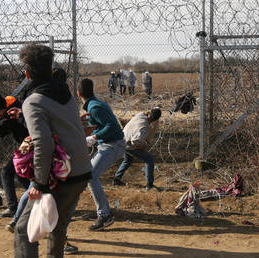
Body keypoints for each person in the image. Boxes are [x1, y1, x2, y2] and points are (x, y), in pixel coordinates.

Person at [13, 44, 92, 258]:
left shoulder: (33, 100)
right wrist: (23, 116)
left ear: (27, 74)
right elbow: (58, 122)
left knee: (23, 231)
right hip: (82, 170)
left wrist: (39, 183)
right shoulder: (64, 92)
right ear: (50, 69)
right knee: (56, 226)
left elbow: (43, 143)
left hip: (61, 177)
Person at [78, 78, 125, 231]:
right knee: (90, 175)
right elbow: (103, 125)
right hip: (110, 144)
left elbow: (111, 126)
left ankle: (104, 215)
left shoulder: (94, 107)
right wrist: (93, 135)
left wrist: (94, 137)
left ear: (79, 93)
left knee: (90, 175)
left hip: (113, 145)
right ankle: (103, 212)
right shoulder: (95, 104)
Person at [0, 92, 31, 217]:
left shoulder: (11, 114)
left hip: (29, 144)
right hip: (29, 143)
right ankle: (39, 200)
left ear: (5, 108)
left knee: (6, 172)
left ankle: (12, 207)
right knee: (21, 175)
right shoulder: (11, 106)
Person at [113, 108, 162, 191]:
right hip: (129, 145)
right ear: (155, 120)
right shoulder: (145, 128)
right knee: (149, 159)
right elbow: (135, 141)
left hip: (123, 140)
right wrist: (142, 147)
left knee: (127, 160)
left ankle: (117, 179)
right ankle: (149, 185)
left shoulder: (141, 115)